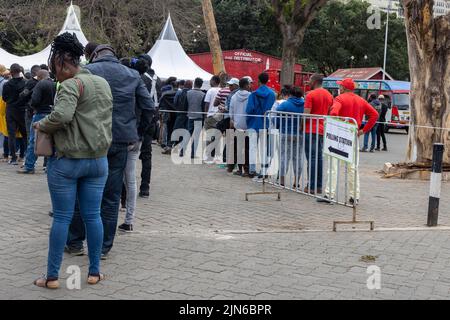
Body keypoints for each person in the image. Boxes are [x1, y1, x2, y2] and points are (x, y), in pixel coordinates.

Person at [32, 32, 113, 289]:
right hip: (98, 161)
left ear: (61, 62)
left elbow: (62, 116)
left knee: (62, 218)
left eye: (54, 66)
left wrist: (41, 124)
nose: (54, 72)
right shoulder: (102, 83)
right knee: (93, 216)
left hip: (68, 162)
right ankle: (94, 273)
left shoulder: (69, 85)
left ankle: (52, 277)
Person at [66, 44, 156, 258]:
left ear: (94, 55)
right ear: (114, 55)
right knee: (112, 195)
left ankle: (76, 243)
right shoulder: (132, 74)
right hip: (121, 140)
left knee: (80, 191)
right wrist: (137, 132)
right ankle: (104, 247)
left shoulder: (86, 71)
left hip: (89, 139)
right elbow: (149, 107)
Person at [322, 78, 378, 204]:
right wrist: (363, 130)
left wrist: (337, 125)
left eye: (340, 86)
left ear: (343, 88)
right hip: (353, 134)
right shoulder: (361, 100)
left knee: (333, 166)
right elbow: (374, 115)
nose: (339, 88)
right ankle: (354, 196)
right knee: (353, 167)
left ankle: (329, 194)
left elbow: (335, 111)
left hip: (339, 136)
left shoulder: (339, 99)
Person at [18, 70, 56, 174]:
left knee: (34, 141)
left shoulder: (40, 84)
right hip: (52, 115)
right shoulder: (54, 83)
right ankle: (49, 167)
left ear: (39, 76)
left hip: (40, 114)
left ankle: (29, 166)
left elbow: (35, 100)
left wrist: (32, 107)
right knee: (51, 141)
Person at [303, 74, 333, 195]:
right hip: (322, 129)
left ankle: (311, 185)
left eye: (310, 80)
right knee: (319, 158)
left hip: (310, 129)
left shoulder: (311, 95)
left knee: (311, 158)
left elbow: (306, 113)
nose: (308, 82)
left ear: (314, 81)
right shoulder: (329, 95)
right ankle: (319, 186)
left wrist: (301, 126)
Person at [245, 72, 276, 179]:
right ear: (267, 80)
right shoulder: (272, 94)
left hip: (253, 123)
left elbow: (249, 109)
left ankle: (252, 170)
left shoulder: (253, 94)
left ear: (258, 81)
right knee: (264, 148)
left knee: (252, 148)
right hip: (265, 123)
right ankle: (264, 170)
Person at [276, 86, 305, 187]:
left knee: (284, 157)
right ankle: (296, 182)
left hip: (285, 133)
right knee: (298, 158)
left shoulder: (285, 104)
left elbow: (276, 115)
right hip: (300, 134)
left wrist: (278, 126)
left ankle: (282, 180)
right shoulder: (304, 104)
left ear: (291, 94)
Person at [2, 63, 27, 165]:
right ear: (20, 71)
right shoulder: (25, 83)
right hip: (22, 110)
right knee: (25, 134)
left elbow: (4, 98)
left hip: (11, 110)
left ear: (11, 72)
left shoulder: (7, 84)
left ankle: (12, 158)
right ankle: (23, 156)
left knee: (11, 135)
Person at [229, 77, 251, 176]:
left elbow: (231, 110)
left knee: (239, 147)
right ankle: (247, 170)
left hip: (237, 125)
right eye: (249, 84)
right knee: (247, 148)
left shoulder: (234, 96)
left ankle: (239, 169)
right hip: (248, 125)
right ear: (246, 85)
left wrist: (232, 120)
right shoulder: (251, 96)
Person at [203, 75, 221, 163]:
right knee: (216, 136)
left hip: (211, 116)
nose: (210, 82)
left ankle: (209, 156)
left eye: (210, 80)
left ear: (214, 81)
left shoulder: (210, 90)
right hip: (219, 116)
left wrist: (205, 115)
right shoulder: (221, 90)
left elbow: (207, 104)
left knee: (209, 136)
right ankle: (215, 156)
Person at [186, 78, 205, 159]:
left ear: (194, 83)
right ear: (201, 85)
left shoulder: (188, 93)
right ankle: (193, 153)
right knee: (196, 136)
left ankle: (182, 151)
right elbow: (203, 107)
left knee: (187, 134)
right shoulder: (203, 94)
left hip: (189, 116)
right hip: (199, 117)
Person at [21, 65, 41, 137]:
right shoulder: (48, 81)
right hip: (44, 112)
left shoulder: (30, 82)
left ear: (32, 73)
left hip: (31, 111)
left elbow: (24, 96)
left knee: (30, 134)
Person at [159, 77, 178, 154]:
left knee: (167, 129)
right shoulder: (179, 93)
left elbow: (161, 102)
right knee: (174, 129)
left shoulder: (165, 94)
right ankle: (172, 146)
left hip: (167, 113)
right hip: (176, 114)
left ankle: (167, 145)